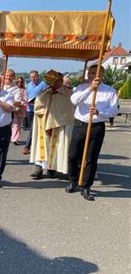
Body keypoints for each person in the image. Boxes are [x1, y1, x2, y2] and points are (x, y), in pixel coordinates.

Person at [67, 64, 119, 201]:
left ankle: (85, 186)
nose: (92, 75)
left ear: (102, 75)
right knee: (72, 155)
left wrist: (99, 112)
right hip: (80, 125)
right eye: (90, 73)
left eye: (95, 73)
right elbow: (74, 100)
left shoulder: (110, 91)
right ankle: (73, 180)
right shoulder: (81, 88)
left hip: (96, 127)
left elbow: (114, 111)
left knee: (91, 158)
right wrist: (90, 89)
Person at [29, 70, 74, 179]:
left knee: (58, 146)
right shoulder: (45, 91)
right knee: (41, 145)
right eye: (52, 80)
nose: (55, 82)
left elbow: (69, 107)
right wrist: (46, 95)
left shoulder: (67, 92)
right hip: (44, 122)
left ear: (61, 80)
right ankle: (38, 169)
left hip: (61, 123)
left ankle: (52, 169)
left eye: (58, 80)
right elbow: (38, 105)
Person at [24, 70, 47, 154]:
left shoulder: (43, 84)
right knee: (32, 129)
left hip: (39, 109)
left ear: (38, 76)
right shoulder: (29, 85)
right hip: (29, 109)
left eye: (34, 77)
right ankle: (34, 145)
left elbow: (46, 95)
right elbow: (26, 94)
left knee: (34, 129)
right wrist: (26, 99)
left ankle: (27, 146)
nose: (33, 78)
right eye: (31, 77)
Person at [11, 76, 27, 144]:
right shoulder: (14, 89)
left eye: (21, 81)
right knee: (15, 124)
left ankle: (16, 138)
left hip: (22, 108)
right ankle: (14, 138)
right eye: (18, 81)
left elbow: (25, 99)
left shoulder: (24, 89)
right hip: (14, 108)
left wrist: (22, 103)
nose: (19, 82)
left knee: (19, 124)